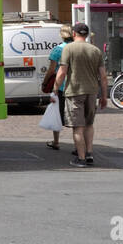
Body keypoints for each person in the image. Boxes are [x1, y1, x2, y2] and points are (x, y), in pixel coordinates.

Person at [55, 22, 109, 167]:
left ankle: (81, 158)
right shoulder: (95, 50)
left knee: (77, 126)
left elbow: (62, 72)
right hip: (92, 91)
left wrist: (55, 88)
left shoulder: (68, 48)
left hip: (74, 91)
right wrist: (104, 96)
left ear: (74, 34)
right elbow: (103, 76)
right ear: (86, 35)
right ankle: (89, 153)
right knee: (89, 124)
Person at [43, 24, 73, 150]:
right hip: (73, 85)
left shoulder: (57, 50)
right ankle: (78, 144)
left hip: (60, 86)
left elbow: (51, 70)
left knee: (57, 114)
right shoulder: (75, 48)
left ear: (61, 35)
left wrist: (45, 82)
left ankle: (56, 141)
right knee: (74, 115)